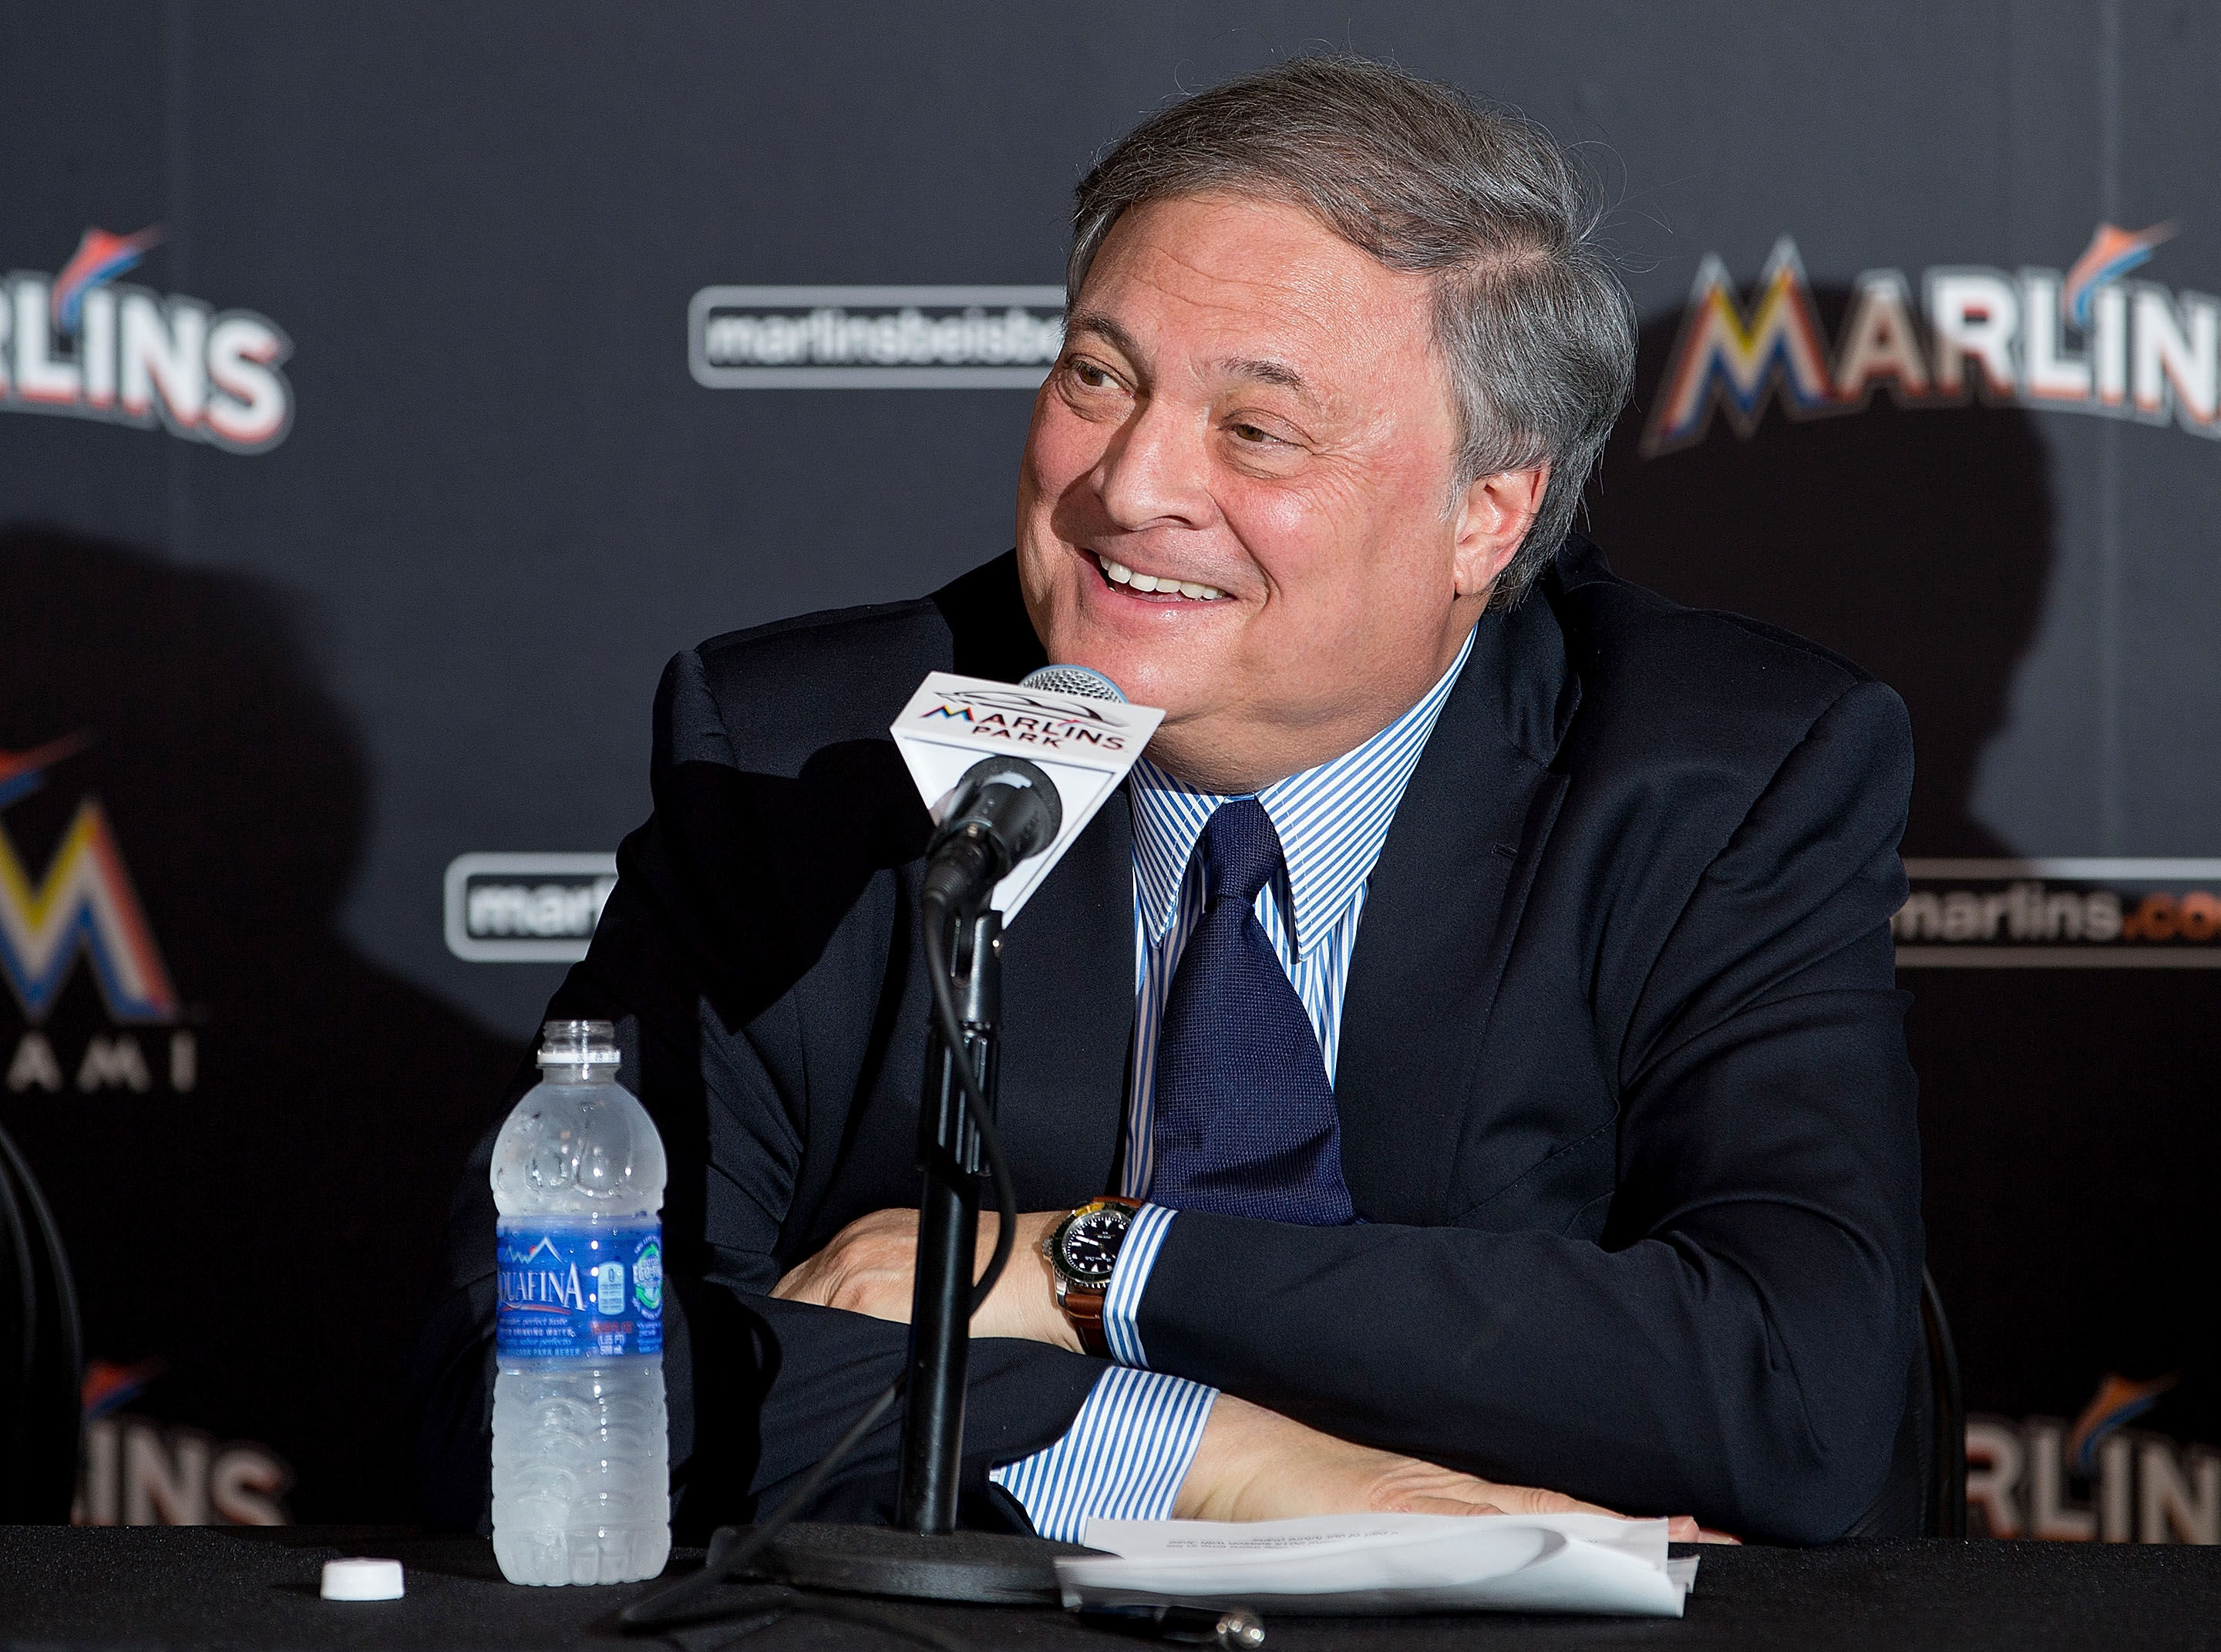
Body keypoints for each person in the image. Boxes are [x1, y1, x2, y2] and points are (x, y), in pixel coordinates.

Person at [416, 56, 1920, 1547]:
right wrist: (1215, 1458)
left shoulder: (1718, 776)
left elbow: (1793, 1380)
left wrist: (1089, 1266)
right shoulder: (810, 761)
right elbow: (544, 1360)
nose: (1131, 484)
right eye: (1098, 378)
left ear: (1489, 508)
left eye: (1254, 431)